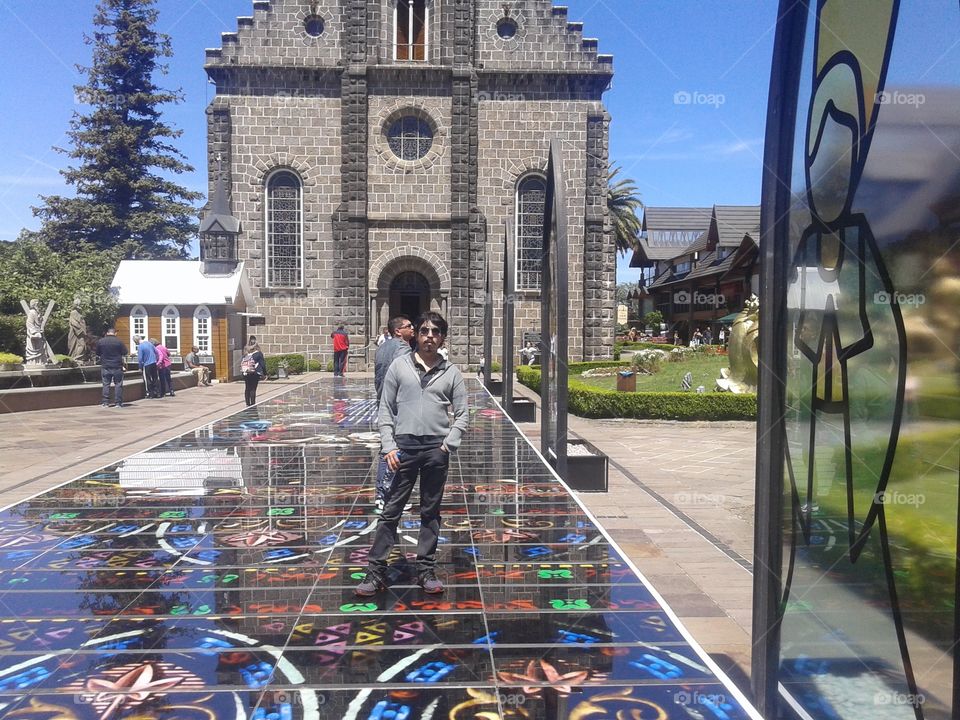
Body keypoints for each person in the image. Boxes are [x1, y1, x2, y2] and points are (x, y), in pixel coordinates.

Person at [356, 312, 468, 596]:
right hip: (403, 449)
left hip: (435, 450)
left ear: (442, 338)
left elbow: (463, 415)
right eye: (424, 331)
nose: (429, 337)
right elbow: (384, 409)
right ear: (416, 335)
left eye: (435, 332)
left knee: (430, 513)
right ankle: (375, 572)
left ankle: (425, 570)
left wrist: (447, 446)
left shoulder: (451, 372)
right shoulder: (399, 366)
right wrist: (389, 446)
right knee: (391, 511)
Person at [372, 316, 415, 514]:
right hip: (398, 404)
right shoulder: (403, 349)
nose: (413, 329)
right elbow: (404, 378)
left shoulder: (382, 347)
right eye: (409, 327)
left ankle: (384, 496)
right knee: (396, 450)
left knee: (387, 447)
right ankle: (389, 496)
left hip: (383, 401)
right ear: (398, 331)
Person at [95, 328, 127, 407]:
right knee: (118, 384)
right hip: (117, 366)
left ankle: (105, 402)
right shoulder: (119, 342)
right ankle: (118, 403)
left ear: (107, 333)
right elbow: (125, 352)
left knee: (106, 384)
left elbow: (97, 353)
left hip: (105, 365)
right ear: (115, 333)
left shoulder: (101, 341)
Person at [240, 340, 266, 406]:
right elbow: (262, 364)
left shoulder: (246, 354)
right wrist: (265, 373)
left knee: (247, 388)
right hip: (254, 373)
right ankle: (253, 403)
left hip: (246, 373)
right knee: (253, 389)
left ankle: (247, 403)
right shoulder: (258, 354)